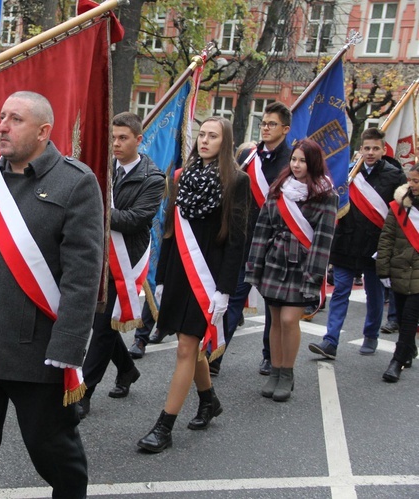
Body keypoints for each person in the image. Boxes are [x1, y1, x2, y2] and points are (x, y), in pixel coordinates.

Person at [0, 91, 104, 498]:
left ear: (44, 131)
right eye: (2, 116)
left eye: (16, 119)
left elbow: (83, 278)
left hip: (36, 351)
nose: (3, 126)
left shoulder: (75, 183)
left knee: (53, 451)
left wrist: (68, 346)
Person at [137, 117, 249, 453]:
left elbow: (237, 240)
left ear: (225, 142)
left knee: (187, 347)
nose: (204, 141)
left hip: (210, 277)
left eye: (213, 136)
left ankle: (164, 427)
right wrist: (160, 280)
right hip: (181, 273)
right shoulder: (182, 176)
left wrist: (225, 290)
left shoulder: (236, 181)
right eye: (202, 134)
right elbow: (170, 229)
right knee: (190, 343)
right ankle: (209, 400)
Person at [78, 112, 164, 418]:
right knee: (98, 321)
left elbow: (136, 219)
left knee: (101, 327)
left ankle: (84, 391)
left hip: (126, 258)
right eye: (113, 137)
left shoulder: (153, 177)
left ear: (139, 140)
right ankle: (126, 369)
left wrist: (95, 209)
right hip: (98, 253)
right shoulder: (102, 167)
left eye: (123, 138)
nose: (115, 143)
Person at [245, 139, 338, 401]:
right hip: (274, 263)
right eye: (294, 160)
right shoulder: (279, 189)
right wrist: (255, 266)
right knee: (275, 321)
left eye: (302, 161)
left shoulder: (326, 195)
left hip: (302, 266)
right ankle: (275, 371)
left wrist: (313, 278)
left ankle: (287, 372)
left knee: (289, 320)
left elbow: (323, 242)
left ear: (314, 164)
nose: (296, 165)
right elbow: (262, 230)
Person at [309, 128, 405, 360]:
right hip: (346, 243)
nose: (370, 153)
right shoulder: (348, 173)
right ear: (360, 149)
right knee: (341, 290)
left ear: (383, 149)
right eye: (367, 148)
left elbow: (398, 216)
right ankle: (330, 340)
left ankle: (371, 334)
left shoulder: (394, 176)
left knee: (374, 294)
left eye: (375, 148)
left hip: (375, 247)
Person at [215, 103, 293, 378]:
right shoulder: (250, 156)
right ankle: (216, 355)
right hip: (246, 236)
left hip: (274, 240)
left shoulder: (292, 160)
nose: (266, 128)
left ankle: (269, 356)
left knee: (272, 301)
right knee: (233, 296)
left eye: (272, 124)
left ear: (285, 129)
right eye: (264, 123)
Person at [376, 165, 419, 382]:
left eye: (417, 181)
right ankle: (409, 349)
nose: (412, 185)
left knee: (411, 317)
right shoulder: (399, 206)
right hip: (399, 269)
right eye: (410, 180)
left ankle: (397, 361)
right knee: (402, 316)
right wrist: (383, 269)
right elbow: (387, 238)